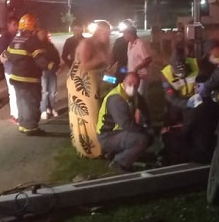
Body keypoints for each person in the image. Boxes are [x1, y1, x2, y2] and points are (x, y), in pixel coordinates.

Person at [67, 19, 112, 158]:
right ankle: (93, 150)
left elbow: (106, 64)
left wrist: (110, 72)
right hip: (80, 80)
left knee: (97, 111)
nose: (108, 36)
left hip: (93, 79)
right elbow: (85, 65)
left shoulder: (103, 45)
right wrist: (101, 58)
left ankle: (97, 145)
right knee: (88, 114)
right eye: (106, 33)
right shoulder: (87, 43)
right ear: (99, 32)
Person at [0, 13, 50, 135]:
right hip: (29, 79)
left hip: (16, 78)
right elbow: (40, 59)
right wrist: (52, 66)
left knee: (21, 102)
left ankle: (23, 124)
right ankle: (31, 127)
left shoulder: (15, 40)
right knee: (31, 102)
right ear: (32, 26)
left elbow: (5, 56)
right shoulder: (33, 41)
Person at [96, 72, 153, 171]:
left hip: (118, 132)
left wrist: (148, 125)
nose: (133, 87)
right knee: (141, 139)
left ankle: (115, 154)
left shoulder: (134, 95)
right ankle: (119, 162)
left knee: (148, 136)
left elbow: (144, 108)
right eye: (130, 83)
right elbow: (126, 124)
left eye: (136, 85)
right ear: (123, 82)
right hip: (108, 136)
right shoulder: (116, 99)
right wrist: (144, 130)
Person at [36, 24, 61, 120]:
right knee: (44, 92)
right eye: (41, 33)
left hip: (52, 72)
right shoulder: (37, 46)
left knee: (53, 91)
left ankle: (51, 107)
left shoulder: (50, 45)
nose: (43, 35)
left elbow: (56, 56)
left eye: (44, 33)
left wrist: (56, 66)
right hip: (42, 72)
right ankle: (43, 110)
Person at [0, 16, 20, 123]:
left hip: (19, 68)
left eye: (17, 24)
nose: (16, 27)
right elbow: (2, 55)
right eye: (14, 24)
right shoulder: (4, 37)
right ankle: (14, 115)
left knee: (19, 91)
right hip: (10, 68)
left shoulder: (18, 36)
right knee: (13, 91)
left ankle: (20, 113)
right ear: (8, 25)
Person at [124, 26, 152, 96]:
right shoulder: (130, 43)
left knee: (140, 96)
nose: (123, 35)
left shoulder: (140, 44)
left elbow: (148, 59)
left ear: (130, 34)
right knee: (131, 95)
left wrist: (136, 68)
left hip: (141, 76)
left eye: (125, 33)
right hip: (132, 76)